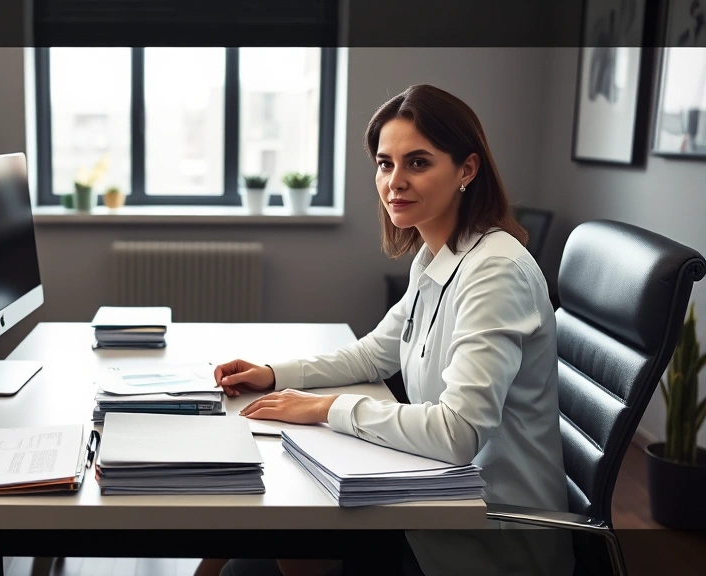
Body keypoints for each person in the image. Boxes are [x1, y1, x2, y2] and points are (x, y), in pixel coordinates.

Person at [196, 84, 573, 576]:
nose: (395, 181)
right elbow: (375, 354)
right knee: (251, 539)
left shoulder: (496, 271)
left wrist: (325, 408)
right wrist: (273, 373)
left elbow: (459, 432)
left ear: (467, 169)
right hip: (438, 495)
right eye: (385, 163)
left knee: (278, 554)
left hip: (486, 537)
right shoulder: (438, 254)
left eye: (418, 162)